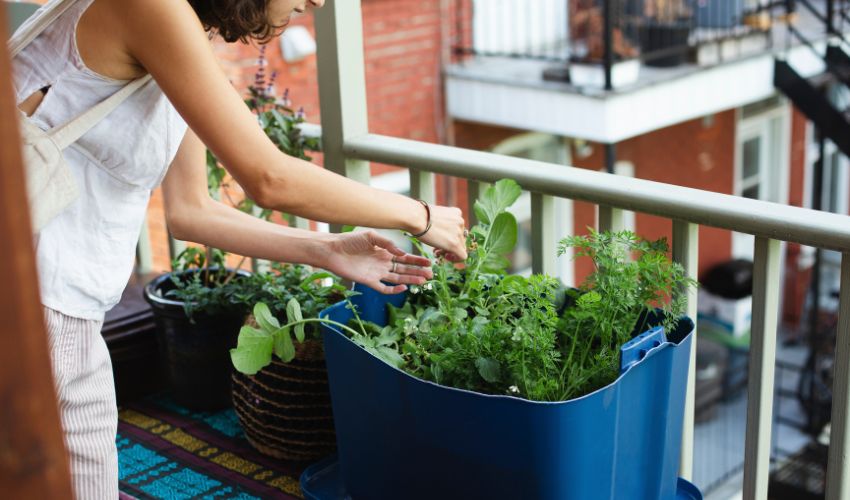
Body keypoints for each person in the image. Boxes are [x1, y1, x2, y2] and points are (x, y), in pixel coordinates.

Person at [11, 0, 467, 497]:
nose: (317, 2)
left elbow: (191, 210)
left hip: (61, 309)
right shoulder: (152, 7)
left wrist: (330, 248)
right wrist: (419, 215)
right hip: (31, 301)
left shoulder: (182, 31)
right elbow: (268, 177)